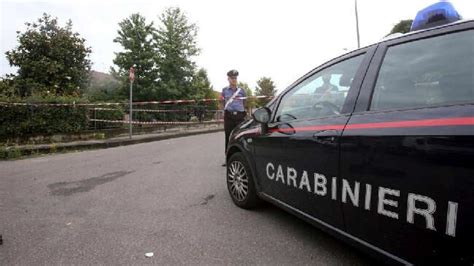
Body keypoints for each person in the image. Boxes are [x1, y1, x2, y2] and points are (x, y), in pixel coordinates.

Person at [221, 69, 246, 166]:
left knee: (240, 136)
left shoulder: (242, 90)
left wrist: (241, 110)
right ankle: (228, 159)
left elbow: (244, 102)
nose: (234, 80)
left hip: (239, 116)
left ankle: (241, 158)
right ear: (228, 79)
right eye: (232, 78)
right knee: (228, 137)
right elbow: (222, 102)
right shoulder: (224, 90)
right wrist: (226, 110)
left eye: (235, 78)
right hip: (229, 116)